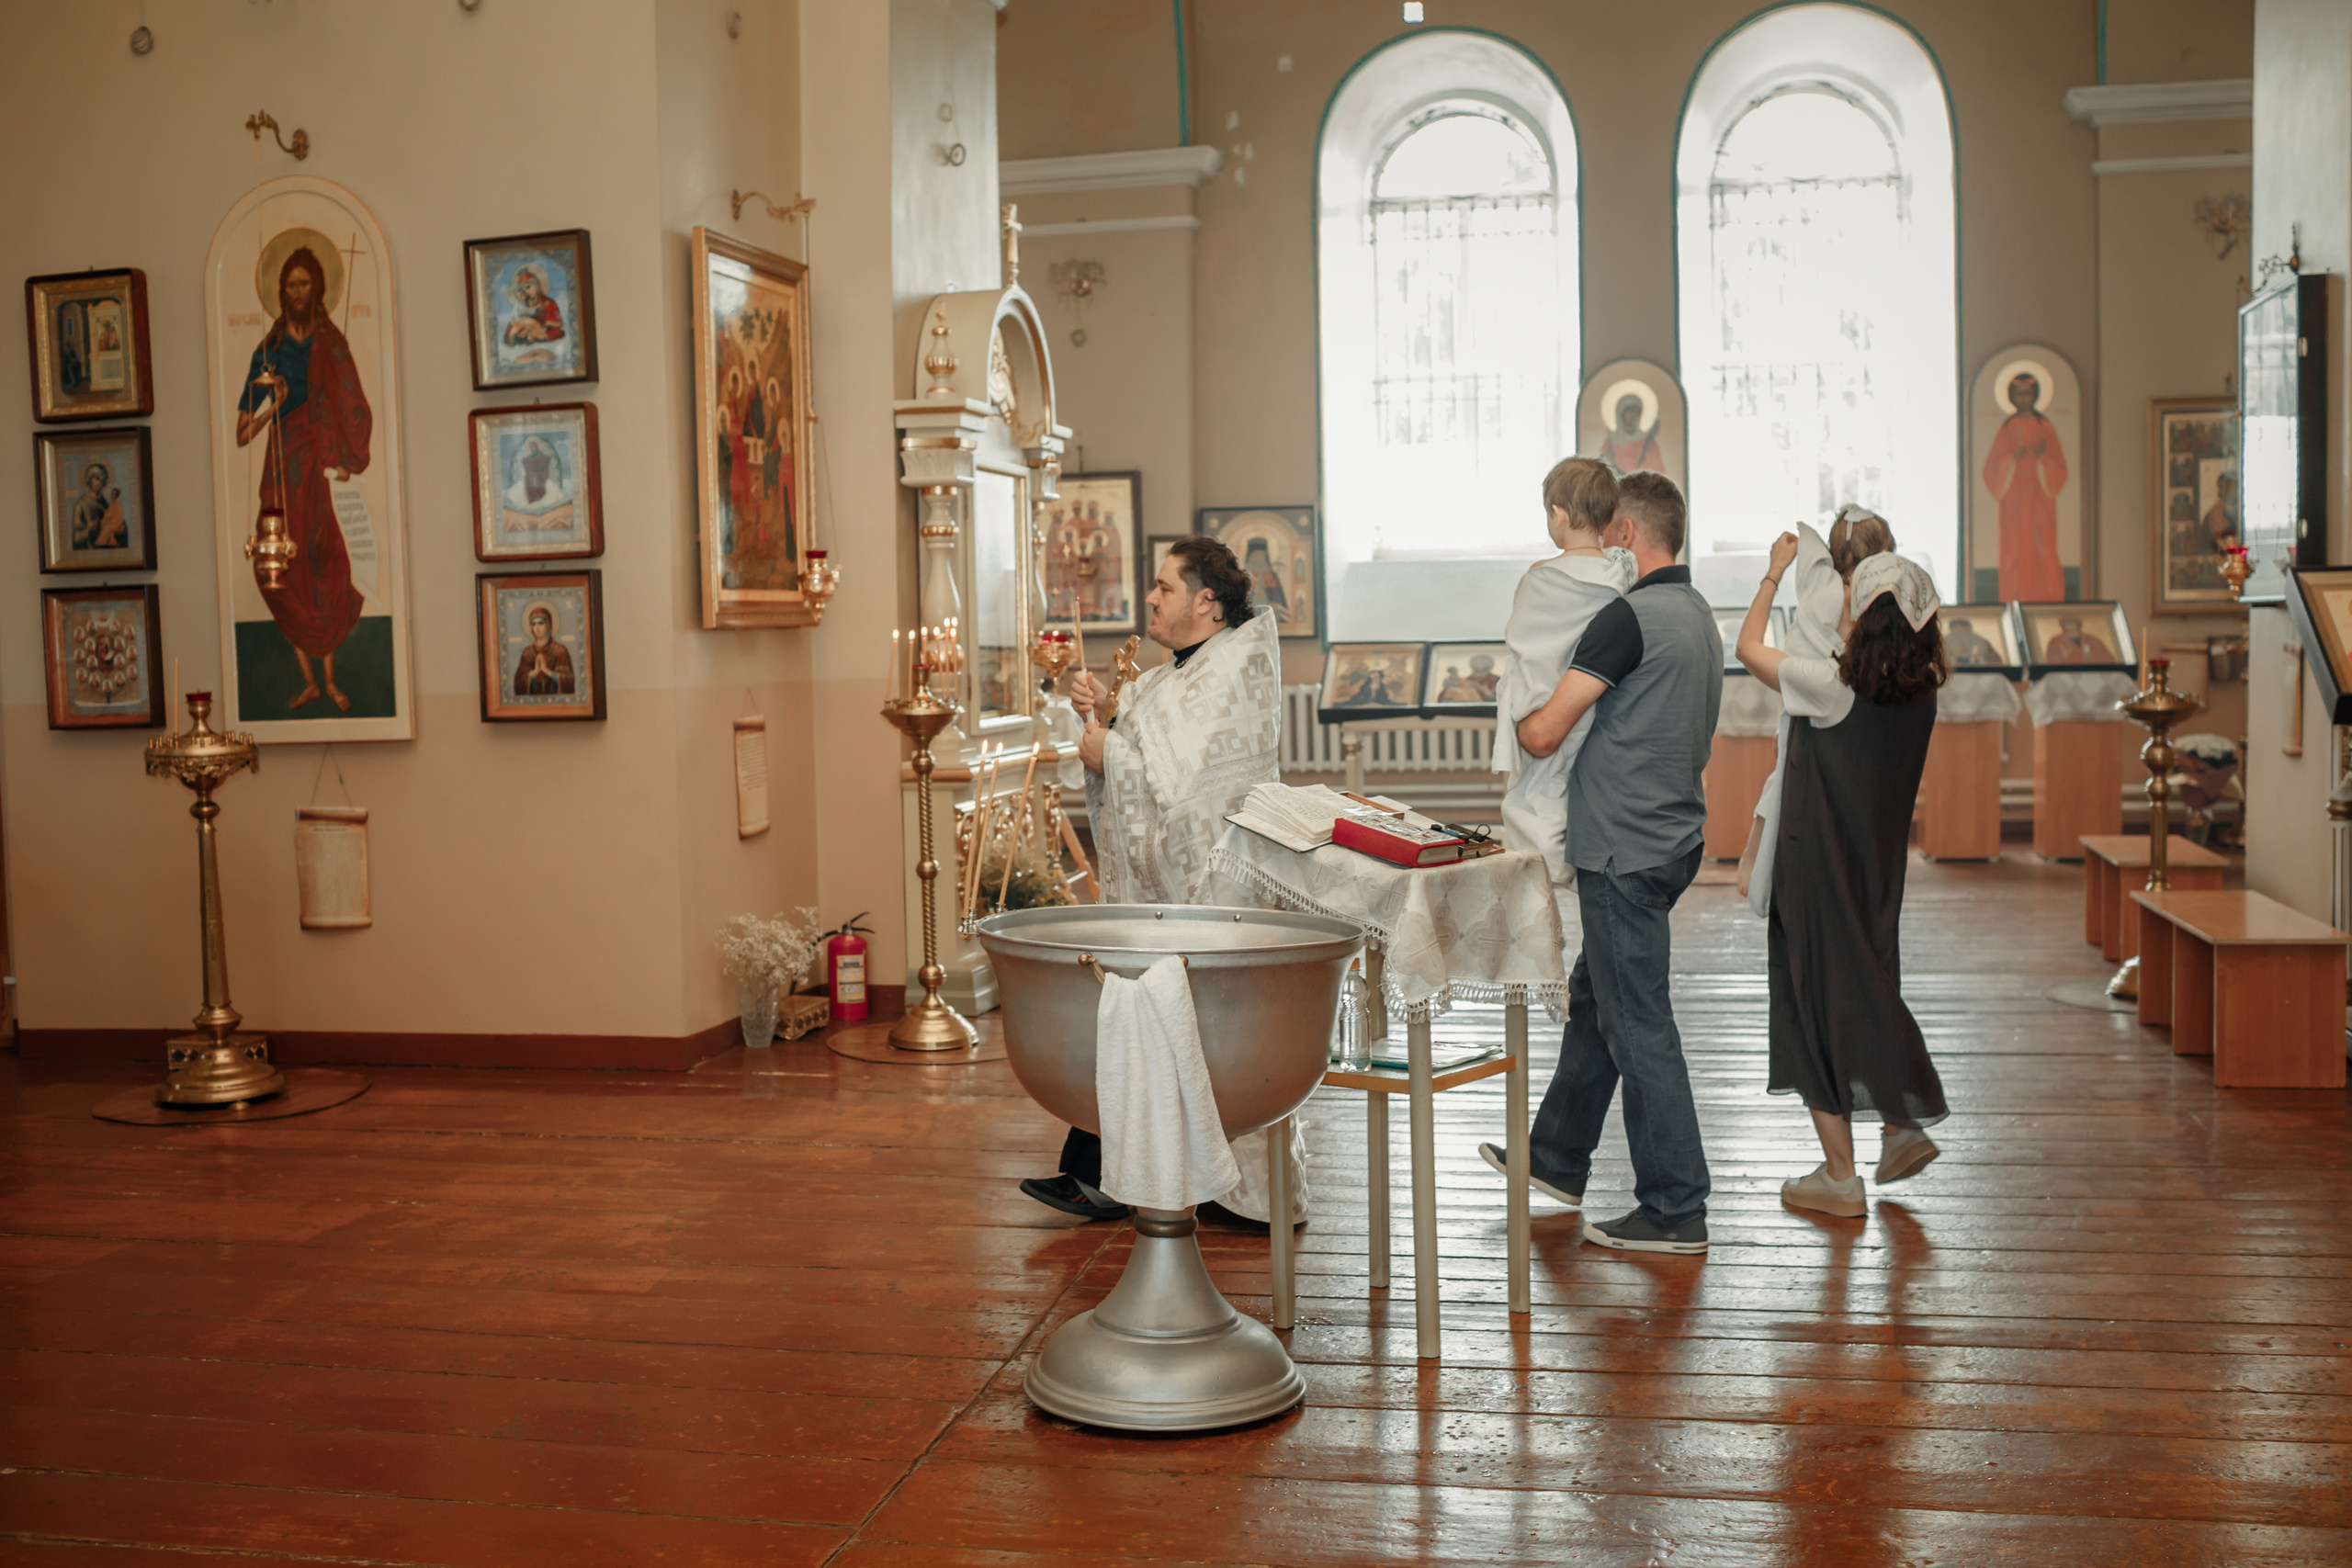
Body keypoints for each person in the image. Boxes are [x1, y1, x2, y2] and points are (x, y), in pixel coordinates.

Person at [1019, 537, 1297, 1229]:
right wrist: (1111, 712)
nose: (1150, 597)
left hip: (1210, 896)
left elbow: (1186, 795)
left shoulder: (1230, 671)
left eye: (1164, 587)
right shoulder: (1190, 665)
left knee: (1188, 1031)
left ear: (1207, 602)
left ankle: (1202, 1185)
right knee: (1135, 1015)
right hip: (1174, 896)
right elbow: (1158, 743)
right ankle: (1105, 1172)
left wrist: (1108, 750)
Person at [1482, 471, 1722, 1256]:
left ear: (1625, 532)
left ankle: (1675, 1205)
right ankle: (1555, 1157)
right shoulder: (1697, 612)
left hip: (1623, 846)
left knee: (1637, 1021)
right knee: (1599, 1000)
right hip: (1672, 832)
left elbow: (1547, 731)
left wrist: (1516, 714)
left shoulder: (1628, 618)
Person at [1734, 540, 1950, 1216]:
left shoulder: (1831, 688)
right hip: (1877, 866)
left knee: (1810, 1004)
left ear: (1864, 616)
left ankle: (1841, 1173)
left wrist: (1774, 573)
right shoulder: (1922, 695)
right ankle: (1896, 1125)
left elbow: (1747, 648)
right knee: (1867, 984)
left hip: (1816, 864)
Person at [235, 244, 371, 714]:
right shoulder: (268, 352)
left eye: (304, 283)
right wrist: (276, 404)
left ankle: (329, 681)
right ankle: (309, 681)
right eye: (290, 284)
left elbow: (352, 400)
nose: (297, 291)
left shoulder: (331, 343)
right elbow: (241, 433)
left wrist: (349, 458)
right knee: (279, 568)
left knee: (322, 563)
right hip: (280, 468)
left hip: (317, 465)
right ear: (281, 291)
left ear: (317, 288)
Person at [1739, 505, 1896, 907]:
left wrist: (1775, 570)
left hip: (1816, 795)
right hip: (1866, 795)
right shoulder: (1889, 638)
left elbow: (1748, 648)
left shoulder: (1829, 671)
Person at [1490, 457, 1634, 887]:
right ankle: (1557, 854)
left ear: (1558, 515)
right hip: (1592, 695)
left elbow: (1525, 643)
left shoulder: (1541, 578)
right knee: (1565, 775)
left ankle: (1545, 863)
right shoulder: (1620, 572)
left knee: (1537, 783)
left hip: (1546, 695)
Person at [1982, 371, 2068, 602]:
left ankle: (2047, 601)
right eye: (2019, 394)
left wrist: (2042, 459)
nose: (2023, 399)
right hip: (2014, 502)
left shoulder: (2045, 427)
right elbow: (1990, 469)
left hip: (2040, 501)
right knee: (2014, 550)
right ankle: (2013, 600)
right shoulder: (2007, 428)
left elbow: (2060, 468)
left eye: (2028, 393)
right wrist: (2012, 458)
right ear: (2012, 396)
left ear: (2035, 395)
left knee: (2044, 550)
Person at [513, 604, 575, 696]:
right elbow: (518, 682)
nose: (537, 628)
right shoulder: (527, 653)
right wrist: (534, 673)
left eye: (541, 623)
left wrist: (547, 671)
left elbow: (569, 681)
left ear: (548, 624)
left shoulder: (560, 651)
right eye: (533, 624)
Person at [1598, 392, 1664, 477]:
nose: (1633, 416)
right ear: (1621, 413)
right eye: (1630, 411)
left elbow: (1660, 476)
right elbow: (1600, 472)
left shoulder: (1650, 445)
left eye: (1636, 412)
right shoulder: (1610, 443)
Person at [71, 461, 125, 552]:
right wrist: (88, 529)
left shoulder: (108, 505)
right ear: (88, 479)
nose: (100, 483)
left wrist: (120, 530)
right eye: (97, 479)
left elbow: (118, 526)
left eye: (103, 480)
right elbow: (76, 538)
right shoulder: (81, 505)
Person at [2045, 615, 2113, 662]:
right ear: (2063, 625)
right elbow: (2050, 659)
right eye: (2067, 623)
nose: (2070, 625)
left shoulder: (2091, 640)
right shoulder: (2055, 641)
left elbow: (2106, 656)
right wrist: (2062, 656)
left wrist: (2090, 656)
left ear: (2078, 624)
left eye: (2073, 623)